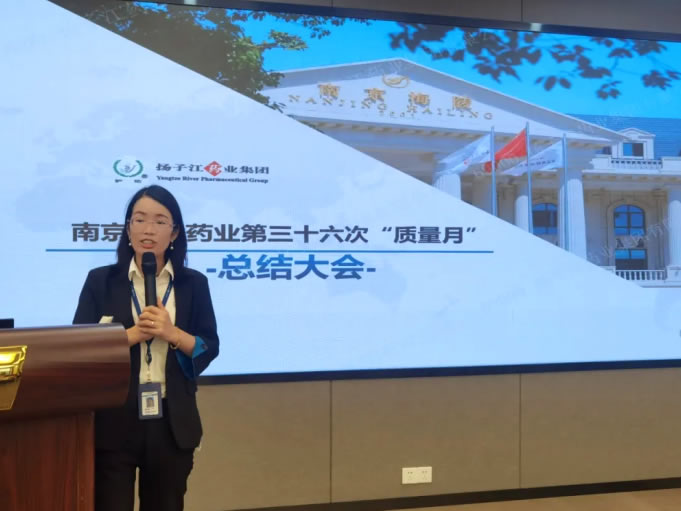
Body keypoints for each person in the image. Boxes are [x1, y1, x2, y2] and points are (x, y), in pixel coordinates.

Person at [73, 185, 219, 511]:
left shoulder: (194, 284)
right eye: (139, 220)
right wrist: (130, 335)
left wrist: (172, 333)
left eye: (159, 221)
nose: (148, 229)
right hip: (113, 420)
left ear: (175, 232)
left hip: (171, 421)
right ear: (128, 229)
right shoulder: (100, 281)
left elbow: (208, 348)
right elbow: (79, 348)